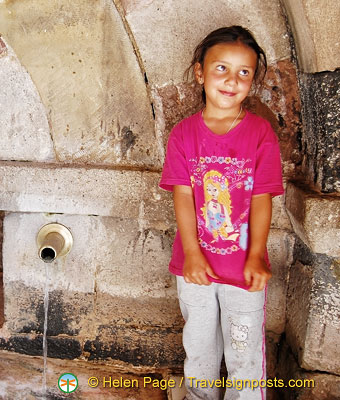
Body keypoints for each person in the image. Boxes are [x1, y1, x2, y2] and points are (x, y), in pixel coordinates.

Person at [159, 26, 284, 399]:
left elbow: (263, 197)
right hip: (195, 268)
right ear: (200, 72)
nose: (232, 81)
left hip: (244, 272)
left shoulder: (261, 134)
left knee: (244, 352)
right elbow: (183, 197)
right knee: (199, 348)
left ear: (252, 80)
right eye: (222, 69)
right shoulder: (183, 135)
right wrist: (193, 253)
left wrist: (258, 254)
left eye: (244, 72)